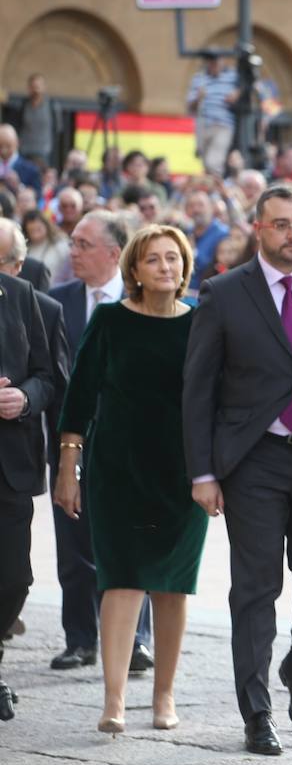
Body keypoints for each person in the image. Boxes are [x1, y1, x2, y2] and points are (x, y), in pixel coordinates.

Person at [181, 183, 292, 753]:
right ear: (259, 229)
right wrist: (203, 471)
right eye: (282, 224)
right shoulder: (224, 293)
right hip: (252, 458)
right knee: (255, 588)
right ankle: (256, 711)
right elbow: (198, 388)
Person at [53, 224, 205, 733]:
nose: (166, 267)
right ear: (134, 270)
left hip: (182, 475)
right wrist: (68, 467)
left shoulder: (200, 323)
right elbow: (79, 395)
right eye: (154, 259)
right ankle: (113, 700)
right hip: (117, 471)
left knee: (172, 589)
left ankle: (164, 697)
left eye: (173, 258)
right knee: (120, 582)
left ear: (184, 266)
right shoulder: (111, 319)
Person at [48, 211, 155, 671]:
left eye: (82, 244)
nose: (72, 251)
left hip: (130, 444)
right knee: (73, 544)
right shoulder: (57, 302)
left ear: (114, 253)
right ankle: (80, 638)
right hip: (72, 440)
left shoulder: (143, 300)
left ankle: (137, 639)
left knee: (133, 540)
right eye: (71, 243)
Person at [0, 261, 55, 721]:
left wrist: (25, 398)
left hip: (9, 466)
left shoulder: (20, 295)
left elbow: (47, 375)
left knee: (15, 578)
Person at [187, 55, 240, 177]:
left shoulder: (232, 77)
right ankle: (210, 187)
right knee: (205, 162)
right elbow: (190, 106)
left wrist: (238, 94)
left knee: (213, 162)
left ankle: (216, 188)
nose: (214, 66)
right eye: (211, 63)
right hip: (204, 125)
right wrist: (198, 98)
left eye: (216, 62)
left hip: (223, 125)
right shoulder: (199, 78)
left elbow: (249, 86)